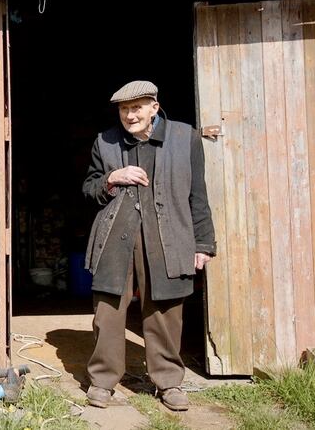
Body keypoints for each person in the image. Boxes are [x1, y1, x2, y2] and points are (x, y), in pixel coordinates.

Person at [82, 80, 216, 411]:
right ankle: (102, 381)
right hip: (116, 237)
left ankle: (169, 382)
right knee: (108, 311)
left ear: (154, 107)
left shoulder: (185, 138)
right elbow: (89, 188)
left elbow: (198, 194)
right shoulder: (105, 141)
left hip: (168, 238)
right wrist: (112, 178)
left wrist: (203, 243)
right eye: (124, 109)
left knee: (165, 312)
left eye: (136, 108)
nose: (130, 115)